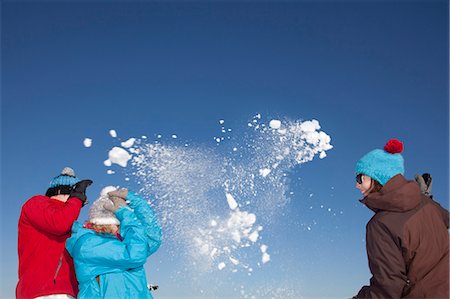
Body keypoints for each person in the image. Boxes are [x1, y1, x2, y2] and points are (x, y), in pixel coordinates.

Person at [353, 139, 449, 298]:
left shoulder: (380, 225)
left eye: (359, 178)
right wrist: (425, 199)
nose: (357, 185)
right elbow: (446, 220)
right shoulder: (427, 203)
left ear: (377, 178)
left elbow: (388, 288)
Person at [66, 187, 162, 299]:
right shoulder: (88, 245)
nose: (121, 227)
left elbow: (153, 237)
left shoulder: (125, 242)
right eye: (119, 224)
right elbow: (134, 256)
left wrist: (135, 201)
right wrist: (125, 214)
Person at [17, 167, 92, 299]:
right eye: (80, 196)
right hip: (45, 292)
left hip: (69, 292)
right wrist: (76, 199)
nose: (80, 205)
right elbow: (59, 224)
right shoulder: (36, 204)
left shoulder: (71, 221)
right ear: (67, 192)